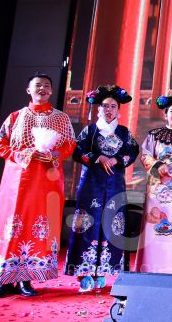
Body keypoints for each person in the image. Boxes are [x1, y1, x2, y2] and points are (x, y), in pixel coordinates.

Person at [0, 73, 76, 298]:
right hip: (17, 181)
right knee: (12, 226)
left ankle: (27, 278)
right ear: (28, 90)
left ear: (51, 90)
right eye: (37, 85)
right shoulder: (15, 117)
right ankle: (5, 279)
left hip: (46, 179)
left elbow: (70, 145)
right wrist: (21, 154)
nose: (42, 89)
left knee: (38, 224)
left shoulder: (61, 118)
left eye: (46, 85)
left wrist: (54, 154)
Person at [66, 85, 139, 292]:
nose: (109, 110)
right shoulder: (90, 130)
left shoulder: (124, 132)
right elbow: (77, 151)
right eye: (105, 106)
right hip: (91, 184)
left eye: (113, 106)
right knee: (88, 224)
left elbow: (133, 151)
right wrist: (98, 157)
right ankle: (84, 271)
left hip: (114, 185)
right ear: (98, 109)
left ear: (118, 110)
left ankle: (103, 270)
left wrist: (117, 159)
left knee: (111, 224)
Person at [133, 93, 172, 274]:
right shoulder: (154, 135)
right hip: (156, 190)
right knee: (153, 226)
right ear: (165, 114)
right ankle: (150, 267)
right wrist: (158, 166)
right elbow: (145, 156)